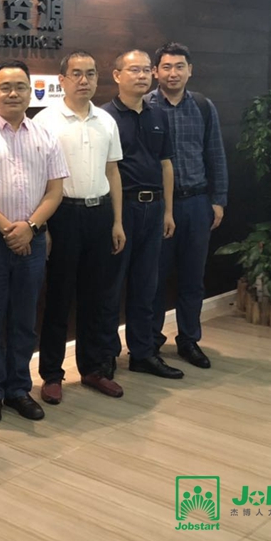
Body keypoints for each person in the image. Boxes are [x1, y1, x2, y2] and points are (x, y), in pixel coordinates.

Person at [0, 60, 68, 424]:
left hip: (34, 240)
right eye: (5, 87)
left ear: (30, 91)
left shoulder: (46, 135)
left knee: (25, 320)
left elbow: (55, 191)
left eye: (20, 87)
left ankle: (18, 389)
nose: (13, 93)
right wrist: (9, 230)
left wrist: (30, 227)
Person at [33, 51, 126, 404]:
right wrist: (44, 226)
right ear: (62, 80)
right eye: (76, 74)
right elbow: (39, 178)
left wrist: (117, 221)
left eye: (90, 73)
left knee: (97, 297)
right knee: (58, 298)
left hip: (100, 214)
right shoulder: (45, 120)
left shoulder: (106, 121)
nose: (84, 80)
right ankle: (52, 375)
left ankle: (94, 369)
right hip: (63, 215)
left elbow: (112, 172)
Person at [101, 50, 183, 380]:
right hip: (121, 209)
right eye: (134, 70)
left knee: (146, 286)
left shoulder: (157, 114)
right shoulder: (105, 117)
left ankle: (143, 353)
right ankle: (106, 355)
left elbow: (166, 164)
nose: (142, 75)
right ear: (117, 75)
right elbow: (106, 170)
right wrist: (116, 219)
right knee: (111, 287)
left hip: (154, 208)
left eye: (146, 70)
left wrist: (169, 211)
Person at [147, 42, 229, 369]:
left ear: (190, 70)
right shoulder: (145, 107)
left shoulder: (203, 107)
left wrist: (218, 200)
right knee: (153, 278)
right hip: (157, 207)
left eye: (179, 66)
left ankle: (189, 340)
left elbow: (216, 155)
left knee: (193, 277)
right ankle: (150, 340)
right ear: (156, 72)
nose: (173, 73)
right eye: (166, 67)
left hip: (196, 203)